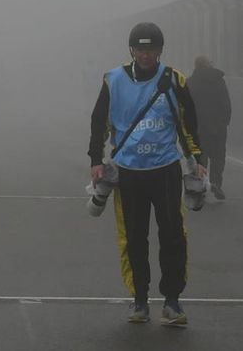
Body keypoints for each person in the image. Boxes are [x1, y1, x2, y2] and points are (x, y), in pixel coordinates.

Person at [88, 22, 205, 328]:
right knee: (134, 238)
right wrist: (96, 160)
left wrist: (197, 159)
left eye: (151, 49)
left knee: (173, 236)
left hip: (165, 169)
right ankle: (139, 299)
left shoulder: (174, 79)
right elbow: (99, 121)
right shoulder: (113, 80)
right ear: (131, 50)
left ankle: (172, 301)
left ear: (160, 50)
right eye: (140, 49)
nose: (145, 55)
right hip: (128, 172)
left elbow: (188, 122)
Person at [187, 56, 231, 199]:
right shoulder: (219, 81)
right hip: (217, 126)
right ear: (208, 65)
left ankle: (201, 185)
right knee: (218, 157)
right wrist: (225, 121)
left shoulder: (190, 82)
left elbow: (186, 106)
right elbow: (226, 102)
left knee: (201, 157)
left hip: (198, 127)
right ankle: (216, 183)